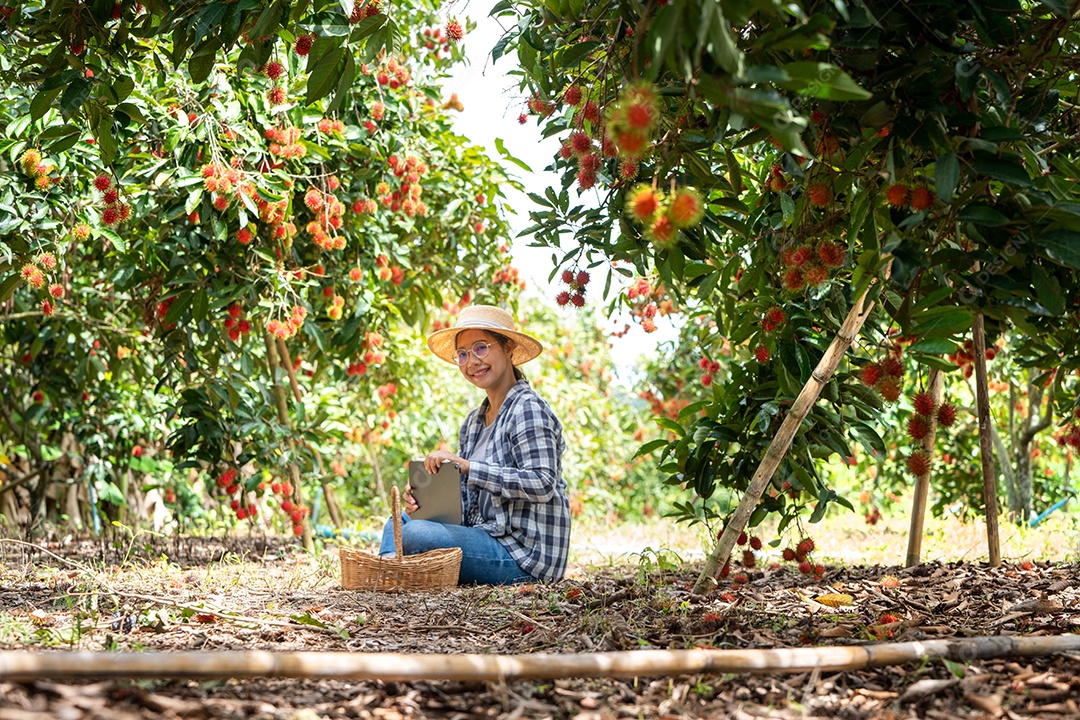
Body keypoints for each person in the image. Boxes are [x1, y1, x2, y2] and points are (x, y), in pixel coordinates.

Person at [378, 304, 571, 584]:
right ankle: (387, 574)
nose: (472, 362)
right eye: (463, 354)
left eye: (481, 348)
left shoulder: (527, 408)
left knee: (414, 535)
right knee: (401, 522)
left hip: (523, 556)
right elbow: (469, 507)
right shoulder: (473, 422)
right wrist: (427, 503)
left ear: (509, 349)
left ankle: (392, 573)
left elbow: (542, 483)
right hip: (486, 536)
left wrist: (468, 467)